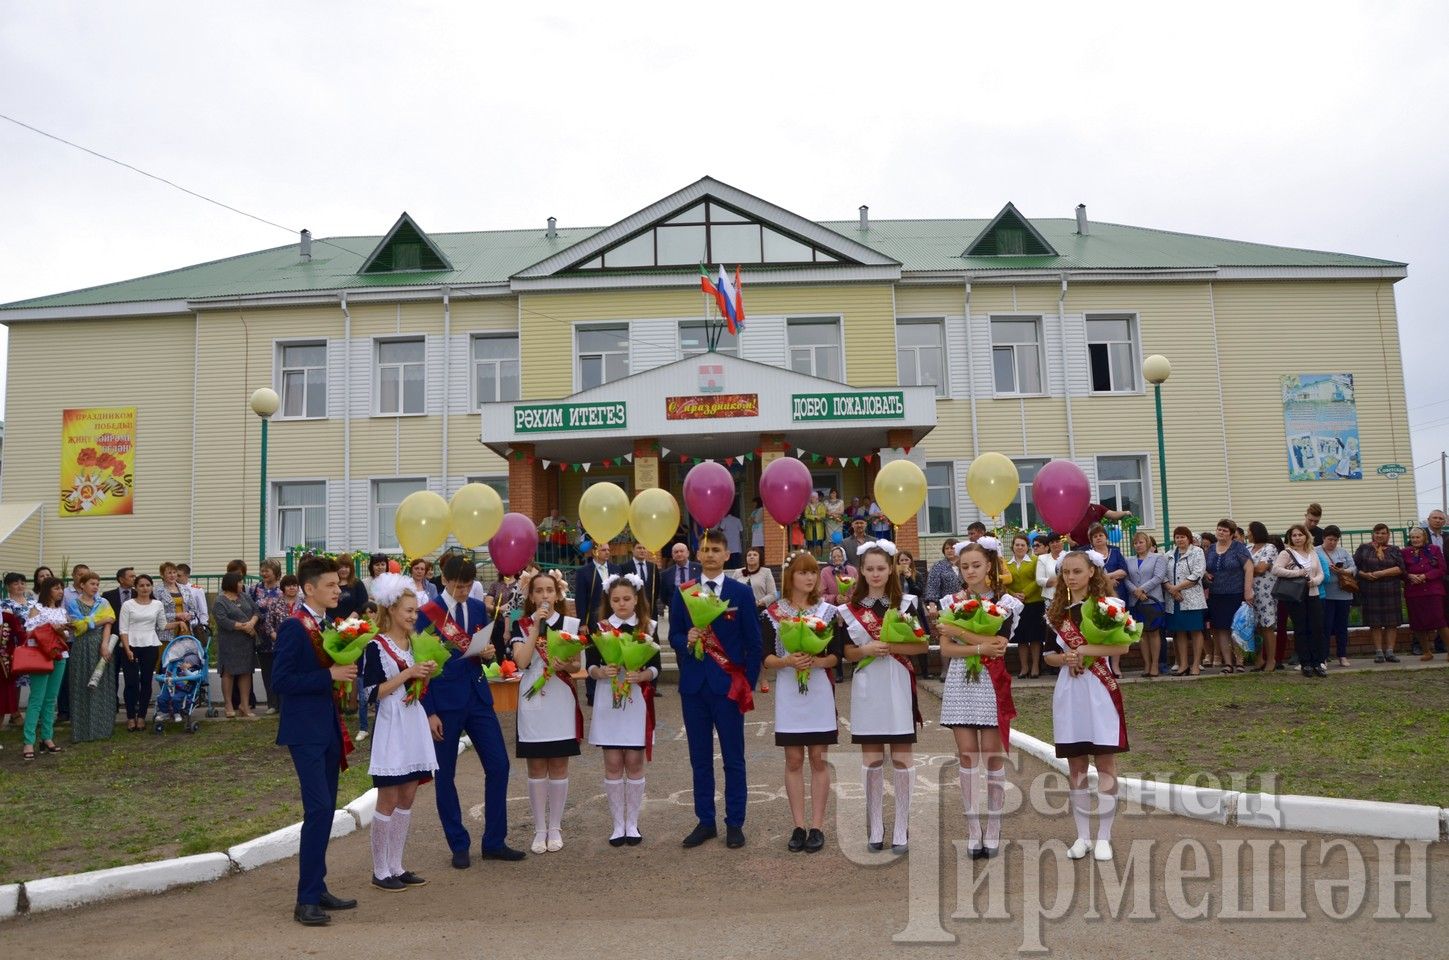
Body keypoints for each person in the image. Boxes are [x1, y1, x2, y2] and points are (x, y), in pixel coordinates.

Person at [416, 555, 522, 867]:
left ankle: (494, 841)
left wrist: (489, 652)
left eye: (467, 586)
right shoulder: (428, 614)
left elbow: (482, 650)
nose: (463, 591)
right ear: (444, 581)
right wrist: (429, 711)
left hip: (477, 697)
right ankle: (458, 844)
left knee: (499, 766)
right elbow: (421, 665)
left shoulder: (477, 608)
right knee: (445, 775)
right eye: (457, 586)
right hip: (444, 702)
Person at [271, 556, 358, 926]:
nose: (338, 590)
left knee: (326, 811)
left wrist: (340, 675)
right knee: (319, 810)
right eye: (331, 585)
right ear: (309, 589)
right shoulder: (294, 626)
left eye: (338, 585)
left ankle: (317, 886)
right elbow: (281, 681)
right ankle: (305, 900)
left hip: (327, 727)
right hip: (305, 732)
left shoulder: (326, 624)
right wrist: (330, 675)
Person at [670, 527, 762, 850]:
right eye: (705, 549)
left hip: (728, 688)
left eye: (716, 549)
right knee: (700, 759)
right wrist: (686, 640)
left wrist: (745, 684)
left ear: (726, 555)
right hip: (694, 688)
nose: (709, 554)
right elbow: (673, 636)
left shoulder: (740, 593)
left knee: (734, 758)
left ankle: (735, 822)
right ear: (697, 554)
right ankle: (705, 821)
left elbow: (754, 643)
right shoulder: (684, 590)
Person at [837, 541, 927, 853]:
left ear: (891, 569)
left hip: (897, 682)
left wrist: (893, 647)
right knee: (872, 759)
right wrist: (866, 650)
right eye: (870, 568)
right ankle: (875, 824)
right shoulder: (850, 609)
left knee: (902, 758)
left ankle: (902, 825)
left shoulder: (906, 605)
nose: (876, 574)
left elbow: (921, 646)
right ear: (861, 570)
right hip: (867, 685)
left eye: (881, 568)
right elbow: (846, 653)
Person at [1043, 551, 1132, 862]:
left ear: (1093, 572)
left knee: (1106, 765)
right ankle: (1082, 836)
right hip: (1070, 693)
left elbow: (1122, 646)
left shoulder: (1111, 607)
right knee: (1076, 768)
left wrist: (1081, 650)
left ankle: (1104, 837)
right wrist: (1065, 658)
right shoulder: (1056, 613)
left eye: (1077, 571)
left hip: (1100, 690)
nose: (1071, 577)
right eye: (1066, 571)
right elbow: (1048, 656)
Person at [937, 539, 1020, 859]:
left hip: (991, 682)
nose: (970, 571)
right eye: (964, 566)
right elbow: (946, 649)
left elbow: (998, 643)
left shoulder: (1007, 602)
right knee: (967, 756)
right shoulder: (951, 600)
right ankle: (973, 830)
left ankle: (994, 828)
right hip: (961, 682)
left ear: (989, 566)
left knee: (992, 756)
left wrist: (961, 631)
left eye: (976, 565)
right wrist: (977, 646)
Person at [359, 573, 439, 892]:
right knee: (389, 796)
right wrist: (408, 672)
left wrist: (425, 676)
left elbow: (415, 686)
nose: (413, 616)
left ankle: (397, 864)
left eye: (415, 611)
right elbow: (369, 693)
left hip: (413, 722)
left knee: (408, 795)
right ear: (391, 609)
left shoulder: (414, 644)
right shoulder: (376, 646)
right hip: (391, 724)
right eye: (408, 610)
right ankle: (380, 869)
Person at [762, 551, 840, 853]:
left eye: (813, 573)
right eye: (803, 572)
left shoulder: (827, 612)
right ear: (790, 576)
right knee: (793, 760)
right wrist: (788, 661)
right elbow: (765, 657)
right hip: (788, 691)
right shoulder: (773, 613)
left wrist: (818, 663)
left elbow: (837, 655)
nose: (810, 578)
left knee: (819, 759)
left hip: (818, 690)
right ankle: (798, 825)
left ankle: (817, 827)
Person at [510, 569, 584, 854]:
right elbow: (522, 662)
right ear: (530, 595)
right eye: (539, 591)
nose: (544, 596)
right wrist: (533, 630)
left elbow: (577, 665)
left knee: (558, 765)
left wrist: (565, 665)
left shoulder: (570, 623)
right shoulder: (522, 624)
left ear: (558, 594)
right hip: (533, 701)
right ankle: (539, 828)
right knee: (537, 765)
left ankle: (555, 826)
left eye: (549, 591)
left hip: (560, 697)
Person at [586, 573, 660, 847]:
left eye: (627, 598)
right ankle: (618, 824)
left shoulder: (648, 627)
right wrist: (601, 671)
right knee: (613, 762)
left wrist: (643, 676)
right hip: (609, 701)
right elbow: (590, 666)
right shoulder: (601, 628)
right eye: (615, 599)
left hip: (637, 702)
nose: (621, 604)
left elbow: (657, 669)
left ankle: (633, 822)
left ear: (636, 598)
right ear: (609, 600)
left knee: (634, 762)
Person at [22, 577, 73, 760]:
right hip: (41, 657)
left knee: (51, 699)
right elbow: (28, 631)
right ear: (47, 590)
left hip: (59, 656)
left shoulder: (61, 610)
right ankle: (28, 741)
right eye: (56, 588)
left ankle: (47, 737)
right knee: (37, 698)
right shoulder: (37, 608)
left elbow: (67, 636)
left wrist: (61, 632)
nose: (60, 591)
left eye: (61, 588)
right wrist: (50, 627)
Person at [65, 570, 117, 742]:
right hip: (82, 647)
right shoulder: (73, 603)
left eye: (97, 584)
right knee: (81, 685)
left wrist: (104, 644)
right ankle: (82, 731)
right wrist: (100, 621)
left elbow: (110, 622)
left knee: (101, 685)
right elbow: (78, 627)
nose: (95, 587)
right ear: (82, 585)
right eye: (92, 584)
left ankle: (102, 729)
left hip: (101, 645)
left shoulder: (103, 602)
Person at [1275, 524, 1327, 678]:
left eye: (1300, 535)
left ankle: (1317, 662)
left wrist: (1315, 581)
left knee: (1317, 628)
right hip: (1296, 596)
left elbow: (1321, 573)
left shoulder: (1313, 552)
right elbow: (1276, 569)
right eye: (1294, 535)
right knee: (1301, 628)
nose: (1297, 538)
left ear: (1306, 536)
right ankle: (1306, 663)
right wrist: (1297, 573)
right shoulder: (1287, 553)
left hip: (1313, 593)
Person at [1203, 520, 1254, 674]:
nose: (1221, 533)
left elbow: (1249, 568)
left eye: (1225, 531)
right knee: (1221, 629)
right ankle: (1227, 663)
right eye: (1219, 530)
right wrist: (1206, 574)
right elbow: (1203, 568)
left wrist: (1247, 591)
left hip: (1235, 594)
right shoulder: (1211, 549)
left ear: (1232, 534)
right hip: (1216, 595)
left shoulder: (1239, 548)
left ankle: (1239, 661)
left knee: (1236, 629)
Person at [117, 573, 167, 731]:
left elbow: (163, 625)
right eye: (141, 585)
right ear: (136, 588)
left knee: (146, 682)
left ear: (151, 587)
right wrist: (127, 649)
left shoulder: (157, 604)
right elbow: (123, 629)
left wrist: (180, 621)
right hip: (130, 645)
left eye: (148, 585)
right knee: (131, 682)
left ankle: (142, 717)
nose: (145, 588)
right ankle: (130, 717)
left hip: (150, 645)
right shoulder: (128, 605)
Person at [212, 572, 260, 719]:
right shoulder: (220, 601)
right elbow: (222, 620)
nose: (242, 585)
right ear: (231, 583)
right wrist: (243, 626)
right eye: (239, 582)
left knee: (246, 672)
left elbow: (256, 611)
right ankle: (228, 705)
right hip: (229, 642)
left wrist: (252, 623)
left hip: (246, 642)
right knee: (228, 673)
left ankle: (244, 706)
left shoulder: (245, 596)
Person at [1354, 524, 1404, 663]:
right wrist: (1364, 574)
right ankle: (1379, 653)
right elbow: (1354, 567)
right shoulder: (1364, 548)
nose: (1380, 535)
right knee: (1375, 623)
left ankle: (1390, 652)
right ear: (1373, 534)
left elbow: (1401, 568)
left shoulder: (1394, 550)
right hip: (1371, 591)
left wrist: (1380, 573)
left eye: (1383, 533)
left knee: (1391, 623)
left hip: (1391, 591)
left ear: (1388, 535)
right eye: (1377, 533)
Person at [1124, 532, 1168, 678]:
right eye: (1135, 543)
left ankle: (1155, 664)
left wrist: (1142, 590)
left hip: (1152, 599)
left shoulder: (1158, 558)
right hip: (1136, 601)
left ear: (1147, 543)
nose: (1138, 545)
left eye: (1141, 542)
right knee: (1142, 633)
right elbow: (1126, 579)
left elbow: (1158, 577)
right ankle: (1147, 664)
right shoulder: (1128, 560)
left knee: (1154, 632)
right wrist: (1136, 592)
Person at [1164, 527, 1206, 676]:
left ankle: (1195, 664)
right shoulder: (1168, 554)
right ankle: (1183, 664)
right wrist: (1172, 590)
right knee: (1179, 632)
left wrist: (1177, 588)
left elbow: (1197, 574)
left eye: (1183, 537)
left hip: (1192, 598)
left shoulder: (1197, 552)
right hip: (1174, 600)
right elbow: (1163, 575)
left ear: (1189, 538)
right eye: (1177, 537)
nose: (1180, 540)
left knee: (1195, 630)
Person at [1402, 526, 1449, 661]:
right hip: (1414, 593)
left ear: (1424, 538)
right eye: (1412, 537)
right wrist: (1409, 576)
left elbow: (1442, 569)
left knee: (1440, 621)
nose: (1415, 540)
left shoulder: (1434, 549)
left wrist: (1425, 576)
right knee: (1418, 624)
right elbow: (1401, 571)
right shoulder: (1404, 552)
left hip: (1433, 591)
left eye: (1418, 537)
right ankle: (1427, 652)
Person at [259, 574, 300, 714]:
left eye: (294, 585)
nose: (292, 588)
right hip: (280, 645)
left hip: (300, 645)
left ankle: (295, 703)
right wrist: (274, 635)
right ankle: (277, 705)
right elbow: (268, 624)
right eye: (289, 585)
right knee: (281, 674)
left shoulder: (304, 603)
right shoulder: (276, 603)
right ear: (283, 588)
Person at [1317, 526, 1358, 667]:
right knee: (1325, 626)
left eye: (1335, 540)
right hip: (1325, 595)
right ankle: (1323, 657)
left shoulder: (1343, 552)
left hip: (1343, 594)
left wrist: (1343, 571)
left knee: (1341, 627)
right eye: (1330, 539)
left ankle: (1342, 655)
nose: (1332, 543)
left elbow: (1354, 568)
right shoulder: (1316, 551)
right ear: (1323, 538)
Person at [1006, 534, 1044, 680]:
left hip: (1034, 602)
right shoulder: (1006, 563)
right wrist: (1013, 594)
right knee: (1021, 637)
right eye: (1017, 545)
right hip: (1016, 605)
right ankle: (1024, 667)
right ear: (1013, 547)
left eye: (1023, 545)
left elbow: (1037, 579)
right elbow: (1004, 584)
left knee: (1035, 636)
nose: (1020, 547)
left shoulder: (1035, 560)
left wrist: (1024, 593)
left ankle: (1035, 666)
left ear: (1028, 547)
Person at [1247, 522, 1282, 672]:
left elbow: (1261, 568)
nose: (1247, 534)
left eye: (1249, 531)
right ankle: (1259, 659)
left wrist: (1247, 569)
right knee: (1255, 627)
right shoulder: (1247, 549)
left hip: (1266, 593)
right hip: (1250, 592)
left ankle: (1271, 660)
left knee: (1267, 626)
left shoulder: (1270, 548)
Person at [896, 550, 931, 679]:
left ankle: (925, 671)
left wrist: (909, 578)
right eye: (901, 560)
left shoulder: (918, 575)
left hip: (914, 610)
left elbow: (919, 592)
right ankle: (908, 670)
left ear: (911, 561)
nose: (904, 563)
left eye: (906, 560)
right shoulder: (894, 576)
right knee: (905, 638)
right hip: (901, 610)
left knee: (919, 636)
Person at [804, 492, 827, 556]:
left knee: (818, 544)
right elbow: (806, 515)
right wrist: (815, 517)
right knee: (810, 544)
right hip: (810, 528)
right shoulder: (808, 506)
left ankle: (819, 559)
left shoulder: (821, 505)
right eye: (811, 497)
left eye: (813, 497)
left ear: (817, 498)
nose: (811, 499)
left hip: (819, 528)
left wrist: (817, 517)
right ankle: (812, 559)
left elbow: (823, 515)